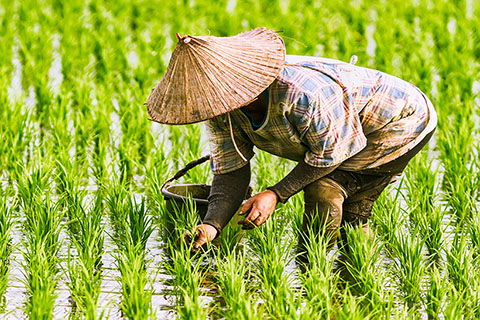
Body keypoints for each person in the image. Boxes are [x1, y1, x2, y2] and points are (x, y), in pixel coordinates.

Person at [147, 28, 437, 253]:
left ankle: (315, 271)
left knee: (326, 189)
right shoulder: (222, 112)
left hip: (400, 122)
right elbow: (230, 171)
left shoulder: (301, 95)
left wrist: (274, 193)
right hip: (342, 133)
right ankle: (342, 276)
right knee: (348, 215)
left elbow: (328, 155)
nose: (219, 105)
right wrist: (212, 225)